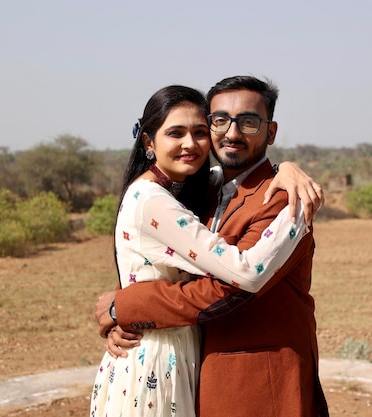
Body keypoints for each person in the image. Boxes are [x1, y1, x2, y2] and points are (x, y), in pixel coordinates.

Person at [96, 76, 329, 417]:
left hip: (260, 380)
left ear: (271, 132)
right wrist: (123, 314)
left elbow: (232, 290)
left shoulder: (285, 200)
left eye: (248, 122)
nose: (232, 133)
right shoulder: (202, 191)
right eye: (219, 121)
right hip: (196, 370)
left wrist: (127, 307)